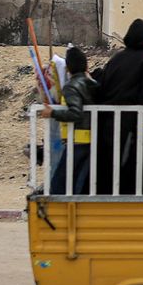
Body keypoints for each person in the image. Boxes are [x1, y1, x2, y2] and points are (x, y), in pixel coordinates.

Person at [95, 18, 143, 194]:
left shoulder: (116, 59)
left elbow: (104, 86)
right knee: (125, 164)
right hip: (130, 122)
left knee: (107, 164)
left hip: (106, 119)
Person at [40, 47, 99, 195]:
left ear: (67, 68)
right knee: (80, 184)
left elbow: (75, 112)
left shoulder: (71, 87)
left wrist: (52, 112)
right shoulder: (93, 84)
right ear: (86, 66)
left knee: (59, 184)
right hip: (92, 140)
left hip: (77, 142)